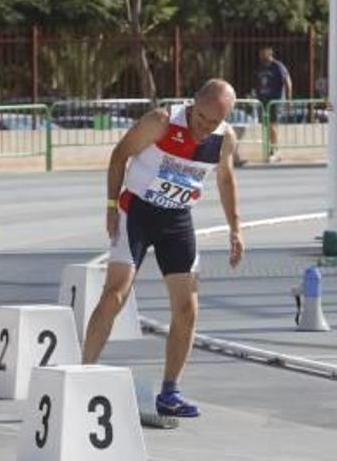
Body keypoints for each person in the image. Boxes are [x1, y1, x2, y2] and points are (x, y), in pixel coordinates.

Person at [82, 79, 245, 418]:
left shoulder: (223, 138)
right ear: (192, 104)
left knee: (187, 308)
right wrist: (111, 206)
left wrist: (235, 229)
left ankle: (170, 391)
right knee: (115, 294)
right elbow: (119, 155)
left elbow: (226, 179)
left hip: (176, 220)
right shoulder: (160, 121)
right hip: (137, 213)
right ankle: (82, 377)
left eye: (212, 122)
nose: (203, 127)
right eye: (200, 118)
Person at [256, 46, 292, 162]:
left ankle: (275, 151)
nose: (261, 54)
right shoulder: (261, 67)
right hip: (263, 101)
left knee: (272, 126)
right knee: (266, 126)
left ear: (270, 52)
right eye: (260, 52)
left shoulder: (277, 66)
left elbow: (288, 82)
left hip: (274, 101)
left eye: (264, 51)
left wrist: (288, 100)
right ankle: (270, 149)